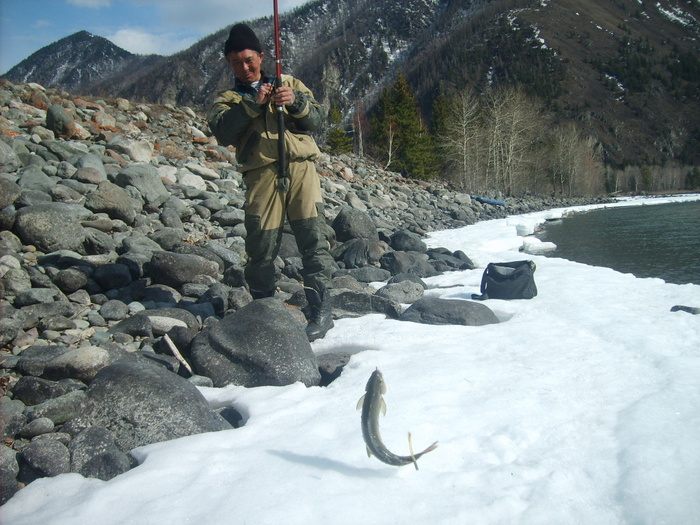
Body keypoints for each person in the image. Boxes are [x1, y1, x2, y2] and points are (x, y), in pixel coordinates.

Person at [208, 23, 335, 341]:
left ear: (261, 57)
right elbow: (223, 132)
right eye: (236, 62)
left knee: (313, 241)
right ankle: (265, 312)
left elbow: (317, 120)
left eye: (250, 59)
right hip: (261, 174)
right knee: (261, 247)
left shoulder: (289, 83)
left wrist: (296, 102)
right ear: (229, 63)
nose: (245, 67)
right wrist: (252, 105)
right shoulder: (229, 98)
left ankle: (321, 312)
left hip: (301, 170)